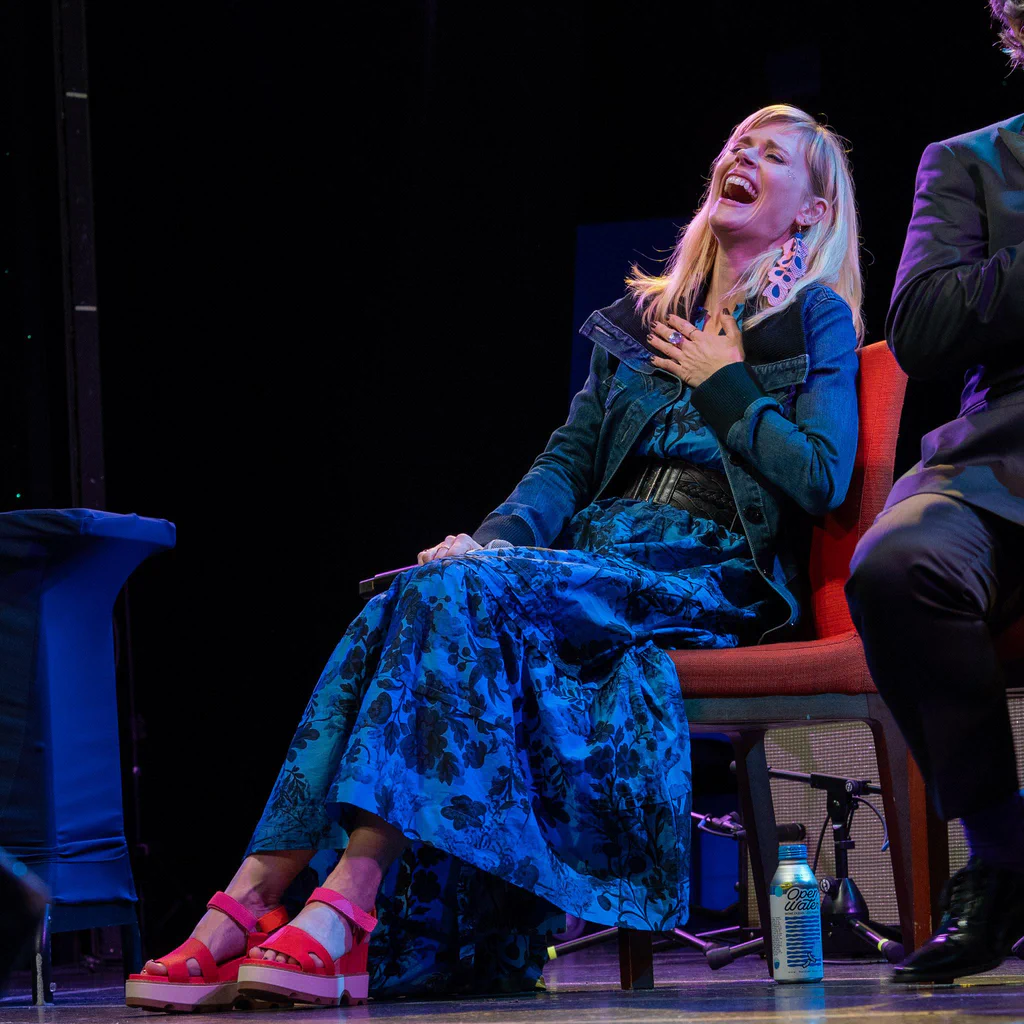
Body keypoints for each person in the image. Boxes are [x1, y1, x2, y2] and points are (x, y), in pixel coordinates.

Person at [126, 103, 861, 1012]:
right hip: (592, 560)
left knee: (456, 596)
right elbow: (564, 466)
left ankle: (343, 910)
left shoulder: (815, 320)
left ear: (812, 213)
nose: (742, 155)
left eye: (773, 154)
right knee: (415, 591)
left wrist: (725, 383)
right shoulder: (640, 326)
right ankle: (251, 899)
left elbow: (824, 478)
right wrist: (489, 541)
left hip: (700, 575)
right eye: (737, 144)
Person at [845, 3, 1024, 985]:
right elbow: (921, 322)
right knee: (897, 563)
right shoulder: (970, 161)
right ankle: (1001, 858)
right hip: (1002, 461)